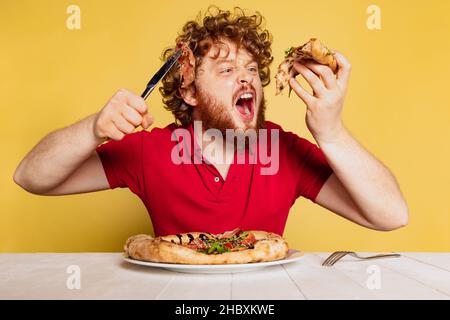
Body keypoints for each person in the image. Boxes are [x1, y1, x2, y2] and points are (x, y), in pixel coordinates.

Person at [13, 7, 408, 237]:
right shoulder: (151, 151)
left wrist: (331, 132)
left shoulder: (281, 149)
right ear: (189, 92)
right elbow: (30, 177)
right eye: (225, 70)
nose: (246, 78)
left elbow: (392, 215)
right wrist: (93, 128)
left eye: (252, 68)